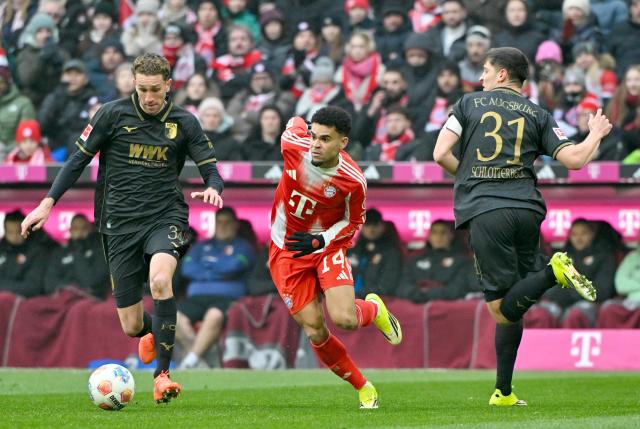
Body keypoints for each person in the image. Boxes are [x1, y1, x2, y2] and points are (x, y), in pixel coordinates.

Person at [20, 53, 224, 404]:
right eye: (142, 89)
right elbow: (77, 161)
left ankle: (162, 376)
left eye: (155, 90)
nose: (148, 97)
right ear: (133, 83)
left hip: (165, 216)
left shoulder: (184, 122)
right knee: (130, 325)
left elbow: (212, 171)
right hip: (118, 225)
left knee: (161, 281)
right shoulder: (111, 114)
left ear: (168, 86)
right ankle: (150, 331)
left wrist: (213, 188)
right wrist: (47, 203)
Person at [433, 47, 612, 406]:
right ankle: (503, 391)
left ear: (501, 74)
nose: (480, 76)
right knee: (514, 303)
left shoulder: (469, 104)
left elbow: (439, 154)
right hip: (528, 210)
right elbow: (575, 160)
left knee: (500, 308)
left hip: (487, 212)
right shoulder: (539, 114)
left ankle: (553, 272)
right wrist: (595, 134)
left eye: (485, 70)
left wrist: (469, 178)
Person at [268, 106, 402, 409]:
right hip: (285, 251)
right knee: (315, 328)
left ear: (343, 143)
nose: (315, 144)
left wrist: (321, 239)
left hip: (324, 247)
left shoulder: (353, 180)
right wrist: (297, 122)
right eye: (314, 136)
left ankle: (372, 309)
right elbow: (293, 124)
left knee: (345, 319)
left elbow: (354, 222)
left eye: (325, 139)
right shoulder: (293, 144)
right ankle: (363, 386)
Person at [176, 207, 255, 369]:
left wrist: (206, 268)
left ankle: (189, 362)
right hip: (196, 298)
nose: (223, 226)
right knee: (172, 317)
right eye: (219, 222)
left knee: (214, 315)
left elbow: (233, 266)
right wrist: (218, 269)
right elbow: (187, 269)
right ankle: (200, 361)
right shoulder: (200, 246)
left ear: (235, 225)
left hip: (227, 297)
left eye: (227, 222)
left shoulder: (244, 246)